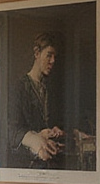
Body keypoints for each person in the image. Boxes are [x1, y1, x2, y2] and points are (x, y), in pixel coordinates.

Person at [7, 33, 65, 167]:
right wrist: (36, 136)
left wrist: (55, 130)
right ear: (37, 53)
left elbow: (53, 120)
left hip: (51, 161)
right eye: (49, 55)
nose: (53, 61)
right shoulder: (19, 88)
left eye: (54, 57)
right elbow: (12, 131)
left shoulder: (51, 88)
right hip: (27, 164)